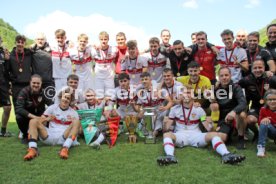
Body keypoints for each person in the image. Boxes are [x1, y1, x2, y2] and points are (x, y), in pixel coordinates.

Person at [156, 85, 245, 166]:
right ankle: (170, 156)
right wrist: (165, 124)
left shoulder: (199, 110)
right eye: (184, 93)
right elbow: (166, 129)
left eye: (189, 93)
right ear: (181, 95)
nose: (186, 95)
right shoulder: (174, 109)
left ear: (193, 96)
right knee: (166, 135)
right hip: (180, 135)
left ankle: (226, 155)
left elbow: (208, 128)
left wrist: (210, 125)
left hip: (196, 135)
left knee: (214, 135)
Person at [23, 87, 81, 161]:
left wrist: (74, 125)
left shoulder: (74, 112)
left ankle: (65, 149)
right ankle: (33, 149)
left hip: (64, 137)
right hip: (49, 136)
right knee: (33, 121)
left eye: (68, 98)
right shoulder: (52, 108)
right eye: (64, 97)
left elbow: (78, 131)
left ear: (70, 101)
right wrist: (47, 119)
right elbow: (39, 122)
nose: (66, 99)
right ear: (60, 97)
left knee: (77, 121)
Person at [239, 59, 276, 141]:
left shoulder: (271, 78)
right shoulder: (247, 79)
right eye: (255, 68)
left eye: (260, 67)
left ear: (264, 68)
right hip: (256, 107)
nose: (257, 70)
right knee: (250, 119)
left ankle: (272, 135)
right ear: (252, 69)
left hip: (271, 108)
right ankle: (257, 133)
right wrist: (219, 84)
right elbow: (234, 86)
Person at [213, 67, 247, 149]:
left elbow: (243, 103)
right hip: (223, 119)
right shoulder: (215, 88)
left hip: (235, 117)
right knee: (222, 139)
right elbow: (206, 102)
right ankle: (231, 133)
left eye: (226, 75)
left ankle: (241, 138)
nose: (224, 77)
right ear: (219, 77)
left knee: (242, 114)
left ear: (230, 76)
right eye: (221, 76)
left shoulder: (236, 87)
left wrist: (234, 111)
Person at [15, 75, 52, 143]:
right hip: (28, 116)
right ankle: (25, 135)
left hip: (40, 116)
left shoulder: (44, 92)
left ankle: (44, 133)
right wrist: (34, 117)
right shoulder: (24, 91)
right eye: (34, 83)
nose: (36, 85)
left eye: (38, 83)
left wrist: (47, 117)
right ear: (30, 82)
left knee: (51, 115)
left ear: (41, 84)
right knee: (19, 117)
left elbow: (51, 105)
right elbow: (18, 108)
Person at [6, 35, 32, 105]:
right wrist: (9, 85)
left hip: (27, 85)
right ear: (15, 43)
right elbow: (6, 71)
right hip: (16, 86)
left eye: (22, 42)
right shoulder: (10, 56)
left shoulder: (29, 54)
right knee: (18, 107)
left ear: (25, 44)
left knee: (28, 107)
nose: (20, 44)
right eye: (18, 42)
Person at [91, 31, 118, 97]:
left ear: (108, 39)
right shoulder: (94, 50)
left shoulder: (114, 49)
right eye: (101, 39)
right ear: (99, 40)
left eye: (105, 39)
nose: (103, 41)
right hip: (98, 78)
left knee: (110, 97)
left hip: (109, 77)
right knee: (99, 97)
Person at [257, 89, 276, 157]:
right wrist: (264, 119)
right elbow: (260, 124)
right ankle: (261, 147)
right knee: (264, 122)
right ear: (266, 101)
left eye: (274, 99)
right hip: (272, 131)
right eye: (270, 100)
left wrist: (270, 120)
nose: (272, 101)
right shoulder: (263, 109)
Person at [0, 36, 12, 137]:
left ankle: (3, 131)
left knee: (7, 108)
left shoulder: (3, 53)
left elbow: (8, 70)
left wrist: (7, 60)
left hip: (3, 84)